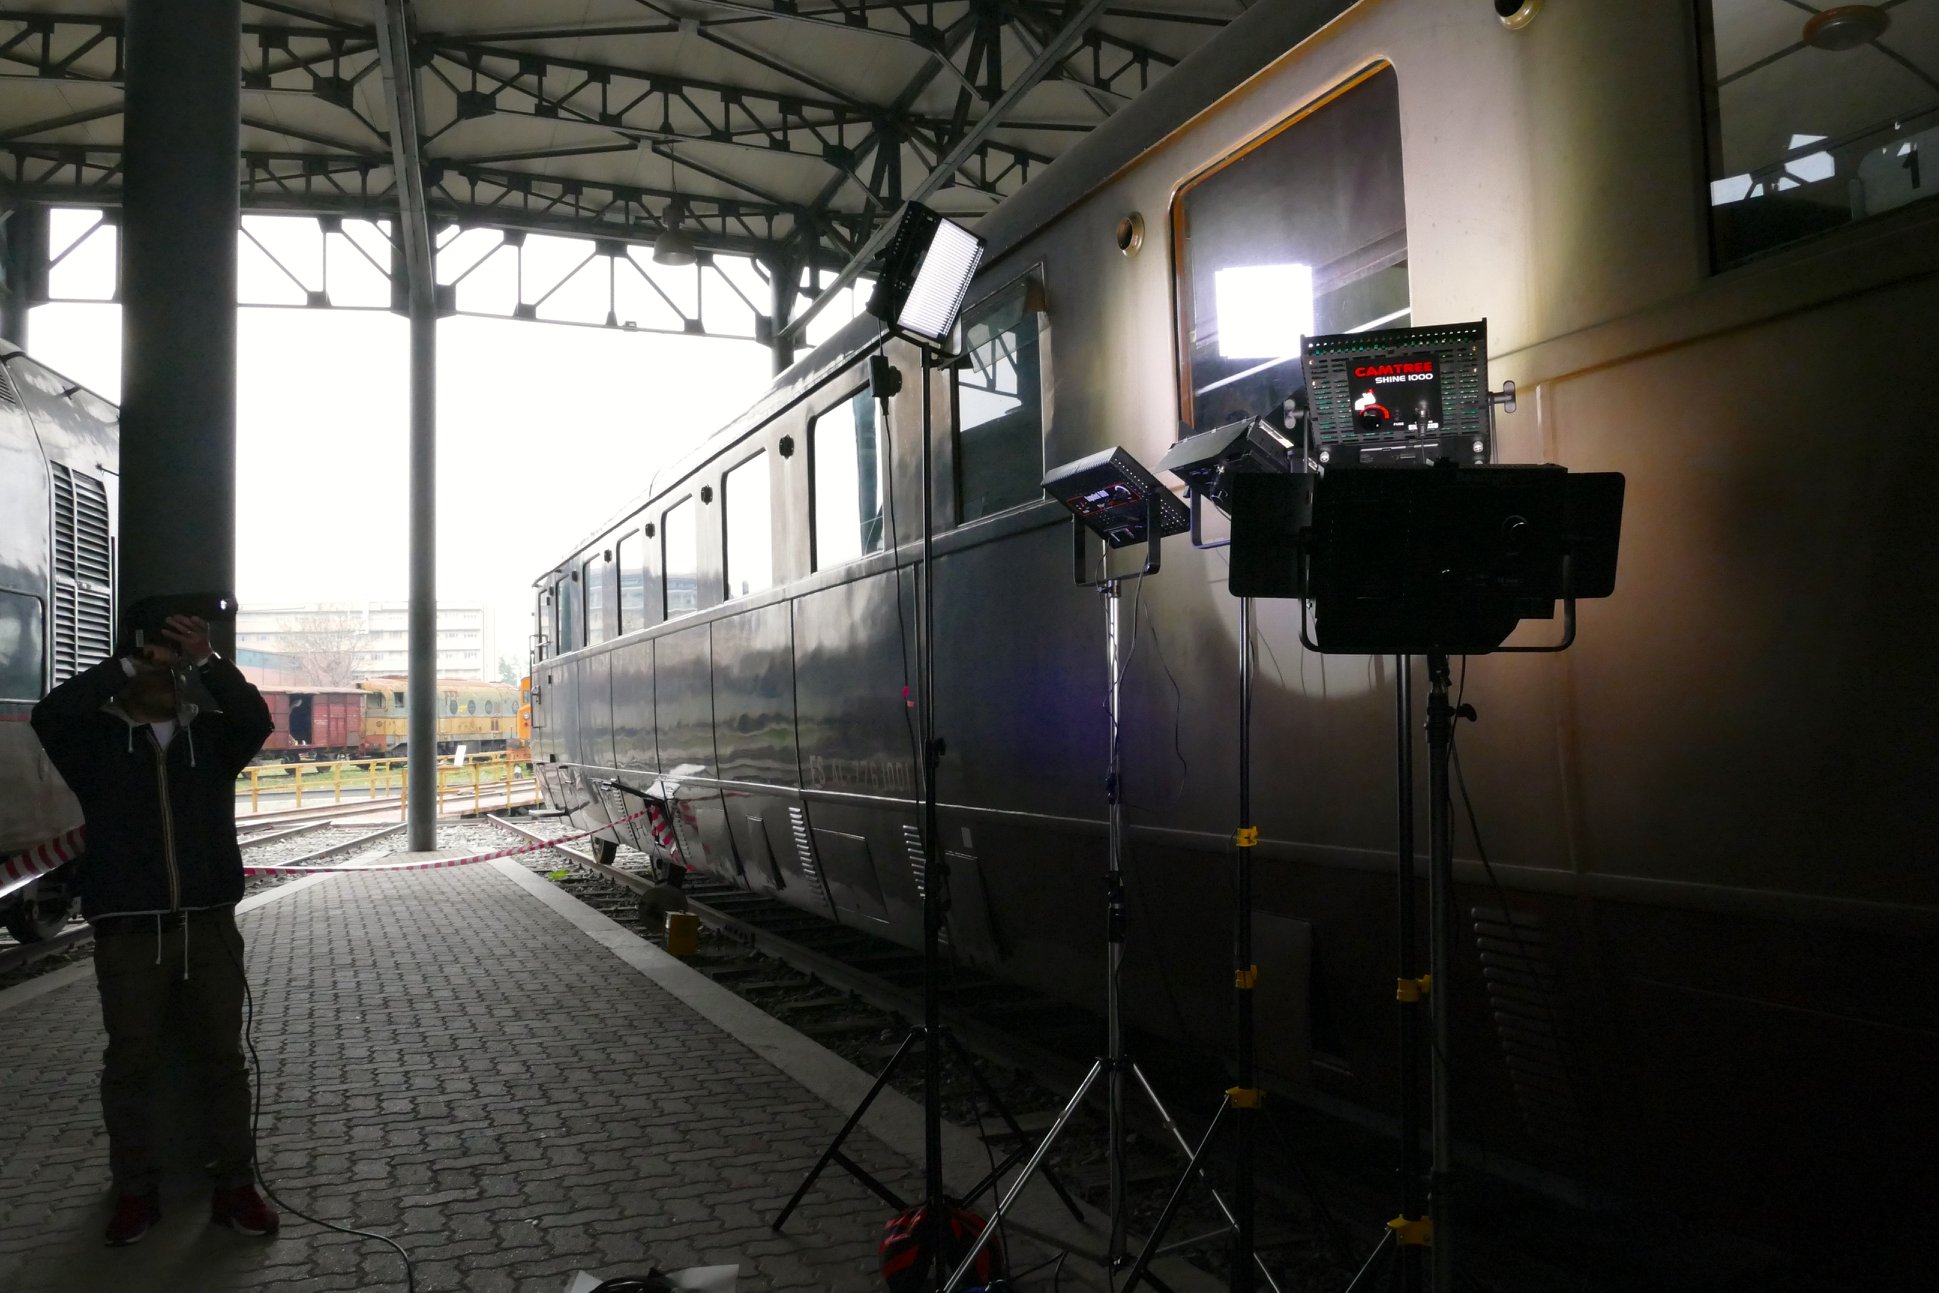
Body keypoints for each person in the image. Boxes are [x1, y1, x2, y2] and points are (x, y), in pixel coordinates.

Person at [30, 614, 279, 1247]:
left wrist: (209, 659)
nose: (166, 669)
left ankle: (235, 1187)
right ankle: (136, 1193)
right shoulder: (95, 746)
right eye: (155, 660)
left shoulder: (213, 741)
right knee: (129, 1066)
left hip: (208, 925)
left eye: (174, 664)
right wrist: (128, 663)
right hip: (129, 932)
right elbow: (50, 715)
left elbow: (257, 719)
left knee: (224, 1062)